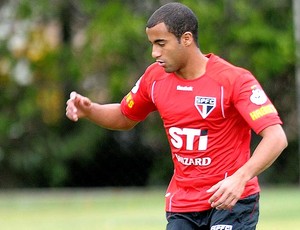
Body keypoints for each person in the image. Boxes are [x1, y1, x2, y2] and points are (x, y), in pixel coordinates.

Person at [66, 2, 288, 230]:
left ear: (186, 39)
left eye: (161, 44)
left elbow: (276, 137)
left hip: (231, 202)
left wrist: (240, 178)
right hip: (183, 205)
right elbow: (125, 116)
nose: (155, 53)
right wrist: (90, 110)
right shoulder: (154, 78)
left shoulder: (234, 80)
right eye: (152, 44)